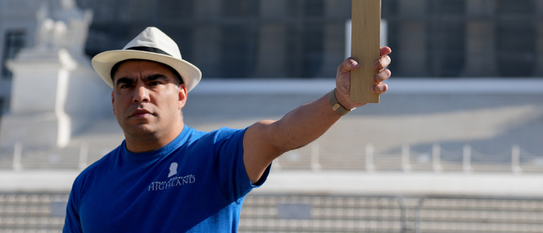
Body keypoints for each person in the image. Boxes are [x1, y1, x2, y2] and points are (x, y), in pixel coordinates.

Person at [63, 26, 391, 232]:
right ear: (113, 100)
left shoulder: (215, 155)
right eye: (126, 85)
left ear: (180, 95)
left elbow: (278, 134)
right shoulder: (87, 184)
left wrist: (339, 100)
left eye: (154, 81)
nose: (139, 94)